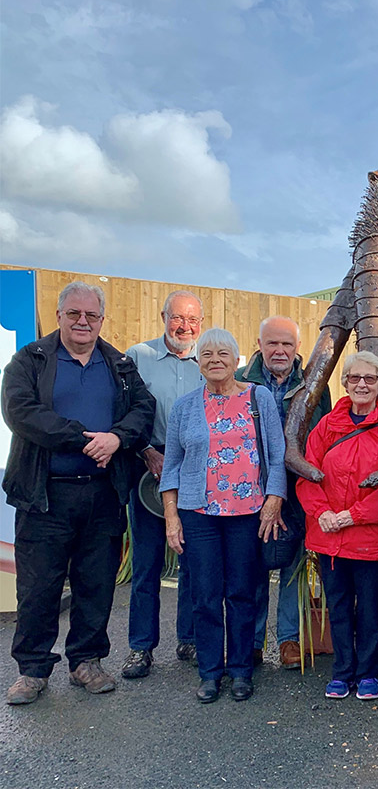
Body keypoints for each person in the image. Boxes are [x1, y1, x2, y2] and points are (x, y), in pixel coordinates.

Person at [3, 281, 155, 705]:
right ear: (59, 316)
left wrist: (117, 439)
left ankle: (86, 661)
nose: (83, 322)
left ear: (102, 320)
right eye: (74, 314)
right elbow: (20, 411)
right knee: (38, 587)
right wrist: (83, 438)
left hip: (102, 494)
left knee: (97, 583)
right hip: (44, 495)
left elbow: (144, 410)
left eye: (91, 315)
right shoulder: (31, 360)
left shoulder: (120, 365)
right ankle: (32, 670)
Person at [161, 328, 287, 704]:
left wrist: (274, 498)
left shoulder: (258, 397)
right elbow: (171, 467)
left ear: (237, 361)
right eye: (207, 354)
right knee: (204, 594)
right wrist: (171, 517)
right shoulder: (184, 407)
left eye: (223, 354)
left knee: (242, 593)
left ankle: (241, 671)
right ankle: (210, 672)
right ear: (198, 363)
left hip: (248, 514)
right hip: (199, 514)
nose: (215, 360)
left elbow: (277, 455)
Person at [296, 351, 378, 701]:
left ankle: (368, 671)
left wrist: (352, 515)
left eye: (370, 379)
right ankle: (342, 671)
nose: (362, 384)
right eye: (355, 378)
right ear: (344, 382)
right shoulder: (326, 426)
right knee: (339, 604)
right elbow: (307, 474)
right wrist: (322, 513)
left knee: (370, 606)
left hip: (369, 537)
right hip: (329, 534)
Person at [236, 316, 331, 669]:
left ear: (298, 348)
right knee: (254, 565)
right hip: (248, 488)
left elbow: (324, 433)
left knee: (292, 564)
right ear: (259, 344)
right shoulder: (242, 381)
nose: (279, 350)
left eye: (287, 344)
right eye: (272, 343)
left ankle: (289, 639)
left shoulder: (314, 384)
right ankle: (255, 640)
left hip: (296, 487)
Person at [120, 290, 205, 680]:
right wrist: (144, 451)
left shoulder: (209, 360)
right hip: (148, 476)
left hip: (195, 479)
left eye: (192, 320)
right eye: (177, 318)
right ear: (163, 316)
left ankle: (188, 638)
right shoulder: (138, 357)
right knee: (148, 565)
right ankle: (140, 648)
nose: (185, 327)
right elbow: (121, 414)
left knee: (192, 564)